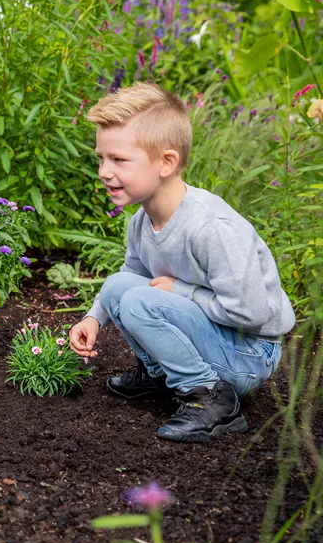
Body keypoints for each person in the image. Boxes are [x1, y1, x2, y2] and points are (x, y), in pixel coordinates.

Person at [69, 83, 295, 443]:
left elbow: (251, 314)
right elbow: (131, 277)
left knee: (139, 300)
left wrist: (183, 291)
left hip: (250, 354)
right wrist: (93, 318)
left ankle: (210, 396)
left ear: (167, 162)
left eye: (119, 160)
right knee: (118, 287)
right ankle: (161, 373)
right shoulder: (141, 222)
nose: (104, 171)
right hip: (217, 340)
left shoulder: (211, 228)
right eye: (101, 158)